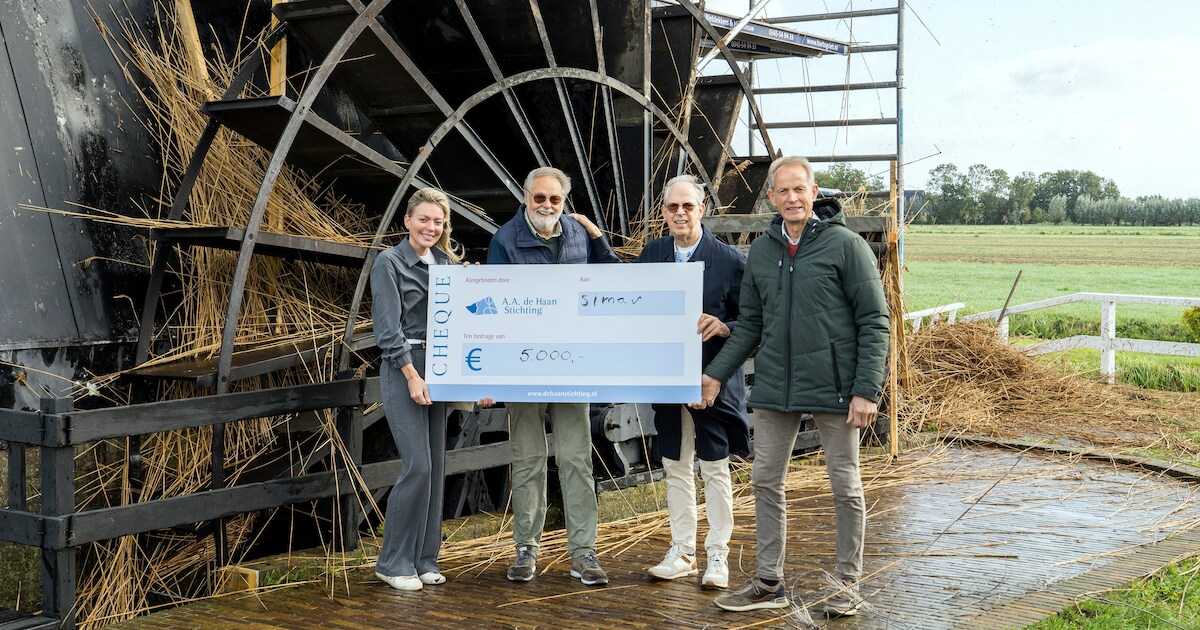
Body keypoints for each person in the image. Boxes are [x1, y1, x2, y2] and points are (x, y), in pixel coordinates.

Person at [694, 156, 889, 616]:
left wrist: (867, 389)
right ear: (771, 198)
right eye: (782, 190)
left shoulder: (846, 246)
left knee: (845, 484)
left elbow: (874, 320)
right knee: (765, 481)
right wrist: (714, 374)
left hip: (836, 386)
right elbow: (750, 325)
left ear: (814, 192)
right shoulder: (762, 252)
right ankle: (768, 582)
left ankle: (847, 583)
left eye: (799, 189)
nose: (792, 198)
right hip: (776, 386)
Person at [487, 166, 621, 586]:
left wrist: (597, 236)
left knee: (575, 459)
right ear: (525, 197)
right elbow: (490, 302)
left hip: (570, 363)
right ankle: (526, 548)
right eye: (539, 198)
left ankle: (583, 553)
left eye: (555, 199)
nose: (547, 206)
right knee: (527, 459)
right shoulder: (504, 240)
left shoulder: (578, 233)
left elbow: (614, 278)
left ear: (564, 201)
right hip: (523, 364)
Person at [635, 174, 748, 589]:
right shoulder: (653, 254)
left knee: (714, 467)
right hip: (668, 378)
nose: (680, 213)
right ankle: (682, 551)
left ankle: (718, 555)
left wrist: (724, 326)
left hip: (709, 379)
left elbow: (752, 322)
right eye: (672, 207)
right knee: (675, 464)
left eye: (688, 206)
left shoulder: (730, 260)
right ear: (664, 212)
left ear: (702, 209)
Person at [370, 187, 461, 591]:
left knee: (435, 467)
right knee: (418, 466)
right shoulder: (389, 263)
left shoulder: (445, 264)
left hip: (440, 367)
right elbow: (387, 330)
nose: (431, 227)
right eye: (424, 219)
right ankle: (393, 562)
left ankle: (425, 559)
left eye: (438, 221)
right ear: (407, 220)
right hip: (405, 367)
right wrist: (411, 375)